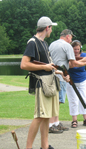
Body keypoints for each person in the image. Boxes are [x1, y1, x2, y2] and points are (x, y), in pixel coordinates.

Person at [20, 16, 65, 149]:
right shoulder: (32, 42)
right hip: (41, 85)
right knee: (39, 116)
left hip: (49, 83)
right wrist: (44, 67)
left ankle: (44, 146)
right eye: (51, 28)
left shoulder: (44, 43)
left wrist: (60, 72)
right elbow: (24, 64)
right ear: (47, 28)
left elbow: (47, 67)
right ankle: (28, 148)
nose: (51, 31)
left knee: (47, 116)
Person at [48, 29, 86, 133]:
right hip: (61, 76)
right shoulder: (67, 46)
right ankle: (51, 124)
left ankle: (56, 123)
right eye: (71, 37)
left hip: (52, 75)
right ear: (68, 36)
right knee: (57, 102)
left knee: (55, 101)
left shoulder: (52, 44)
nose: (71, 39)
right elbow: (72, 64)